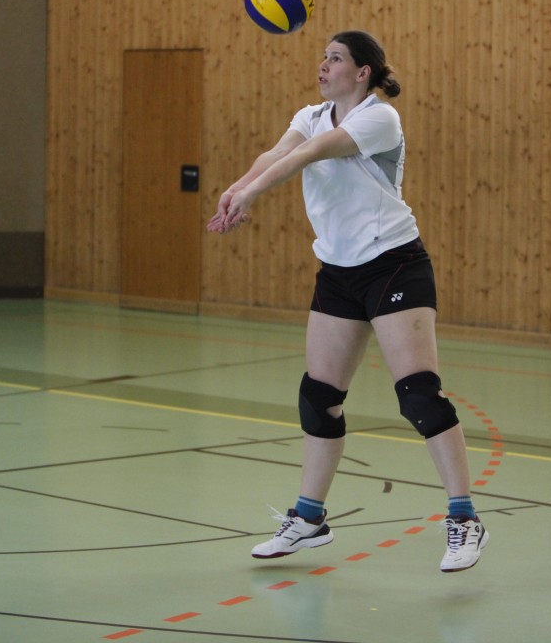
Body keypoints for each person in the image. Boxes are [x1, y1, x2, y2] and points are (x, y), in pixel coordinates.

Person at [208, 30, 488, 573]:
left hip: (393, 264)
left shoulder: (379, 118)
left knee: (419, 397)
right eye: (323, 56)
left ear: (362, 73)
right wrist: (238, 186)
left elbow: (313, 152)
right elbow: (280, 151)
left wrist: (254, 192)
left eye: (335, 58)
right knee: (319, 398)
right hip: (339, 271)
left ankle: (464, 517)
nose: (323, 65)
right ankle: (309, 518)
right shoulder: (310, 115)